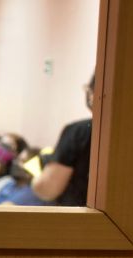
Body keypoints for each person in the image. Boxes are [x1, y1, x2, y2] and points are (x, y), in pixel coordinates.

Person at [31, 72, 96, 206]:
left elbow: (48, 190)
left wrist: (35, 177)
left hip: (82, 219)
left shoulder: (79, 132)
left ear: (93, 94)